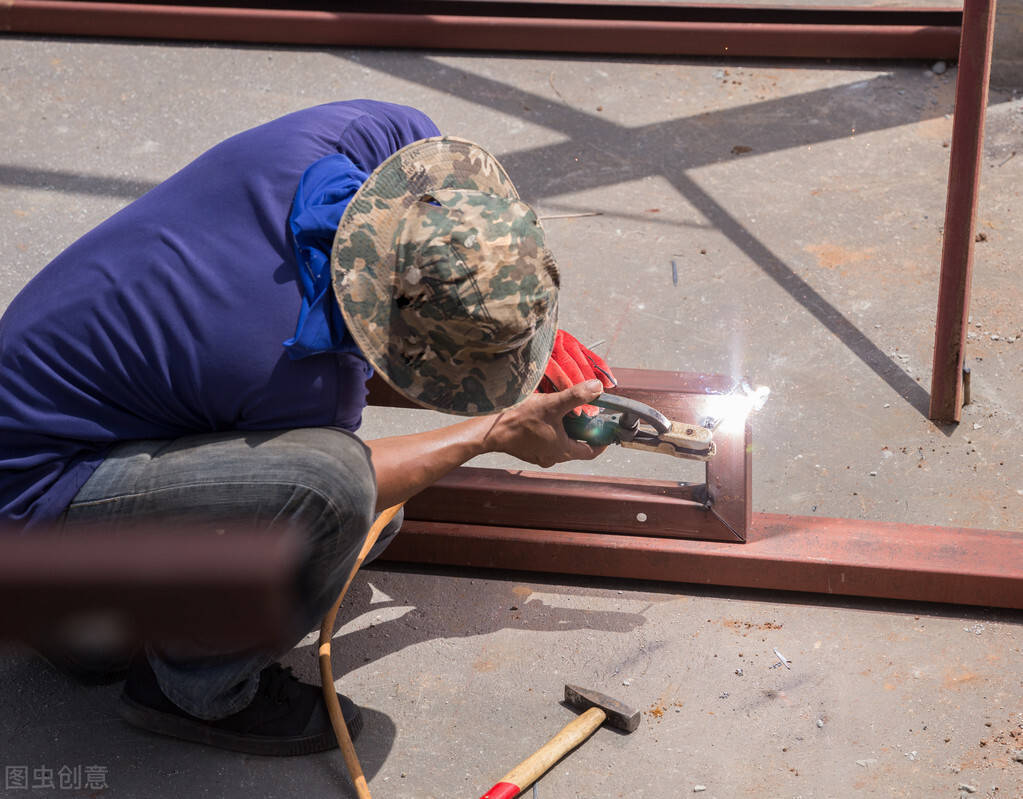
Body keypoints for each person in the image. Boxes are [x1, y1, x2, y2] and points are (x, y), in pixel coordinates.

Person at [0, 100, 616, 756]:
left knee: (370, 505)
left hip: (56, 419)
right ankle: (192, 689)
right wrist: (494, 429)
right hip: (29, 516)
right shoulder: (291, 374)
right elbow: (342, 481)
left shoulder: (362, 136)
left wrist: (508, 322)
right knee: (337, 492)